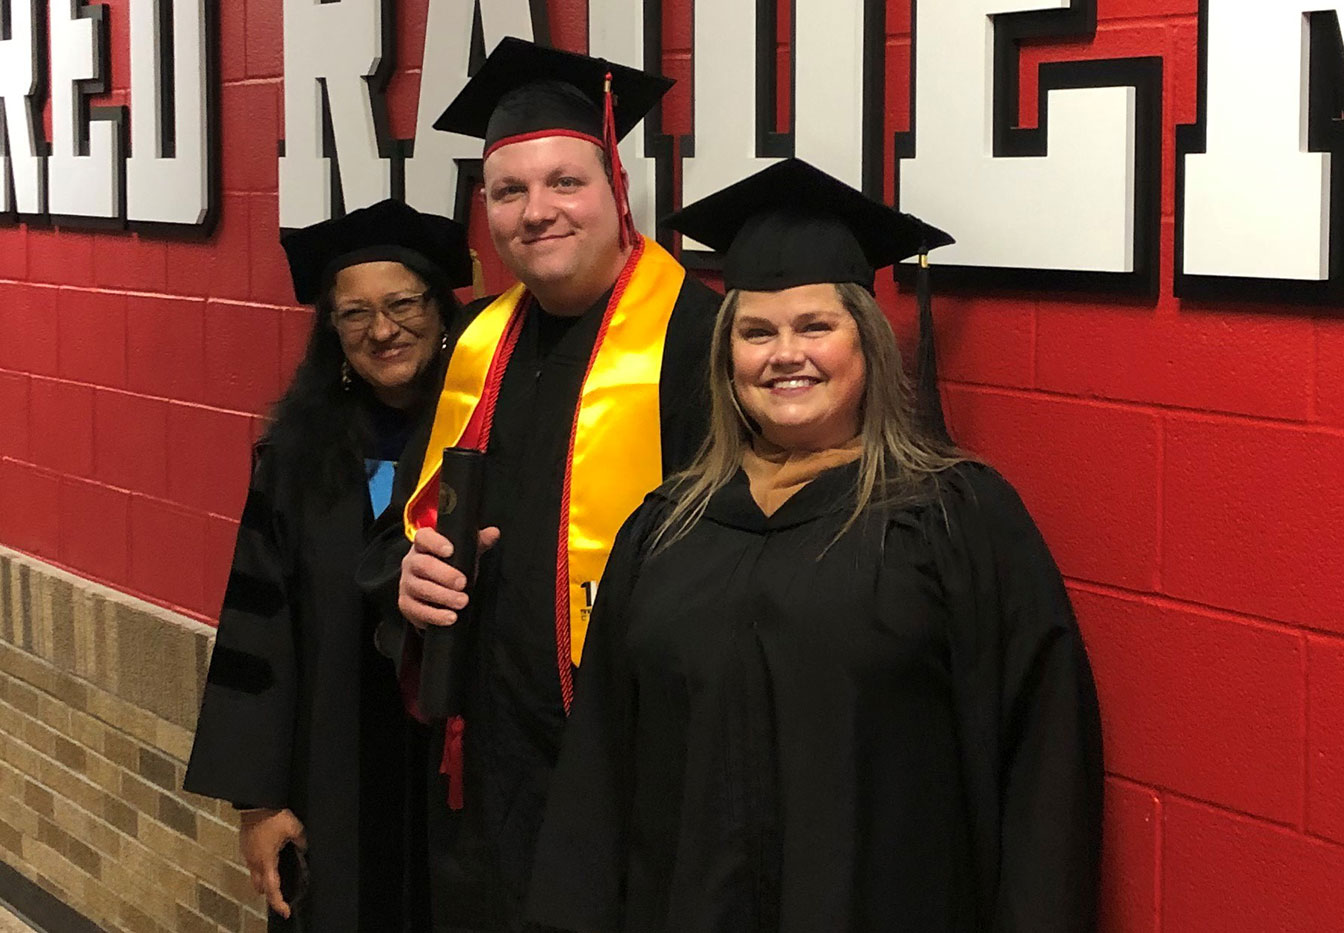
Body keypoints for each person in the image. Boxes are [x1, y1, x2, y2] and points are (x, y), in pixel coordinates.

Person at [526, 159, 1104, 932]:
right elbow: (599, 774)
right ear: (727, 360)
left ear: (866, 344)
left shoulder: (954, 519)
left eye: (815, 327)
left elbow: (1043, 770)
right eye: (756, 332)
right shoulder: (665, 530)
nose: (783, 354)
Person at [357, 37, 721, 932]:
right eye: (509, 191)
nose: (536, 211)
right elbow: (404, 529)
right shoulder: (474, 343)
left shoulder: (703, 341)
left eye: (566, 181)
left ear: (617, 189)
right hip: (488, 770)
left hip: (637, 770)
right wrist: (406, 581)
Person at [184, 199, 475, 931]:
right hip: (332, 780)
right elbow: (260, 629)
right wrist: (257, 801)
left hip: (462, 779)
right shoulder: (298, 459)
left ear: (442, 312)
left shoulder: (486, 439)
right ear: (332, 330)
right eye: (354, 313)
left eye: (403, 303)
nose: (382, 330)